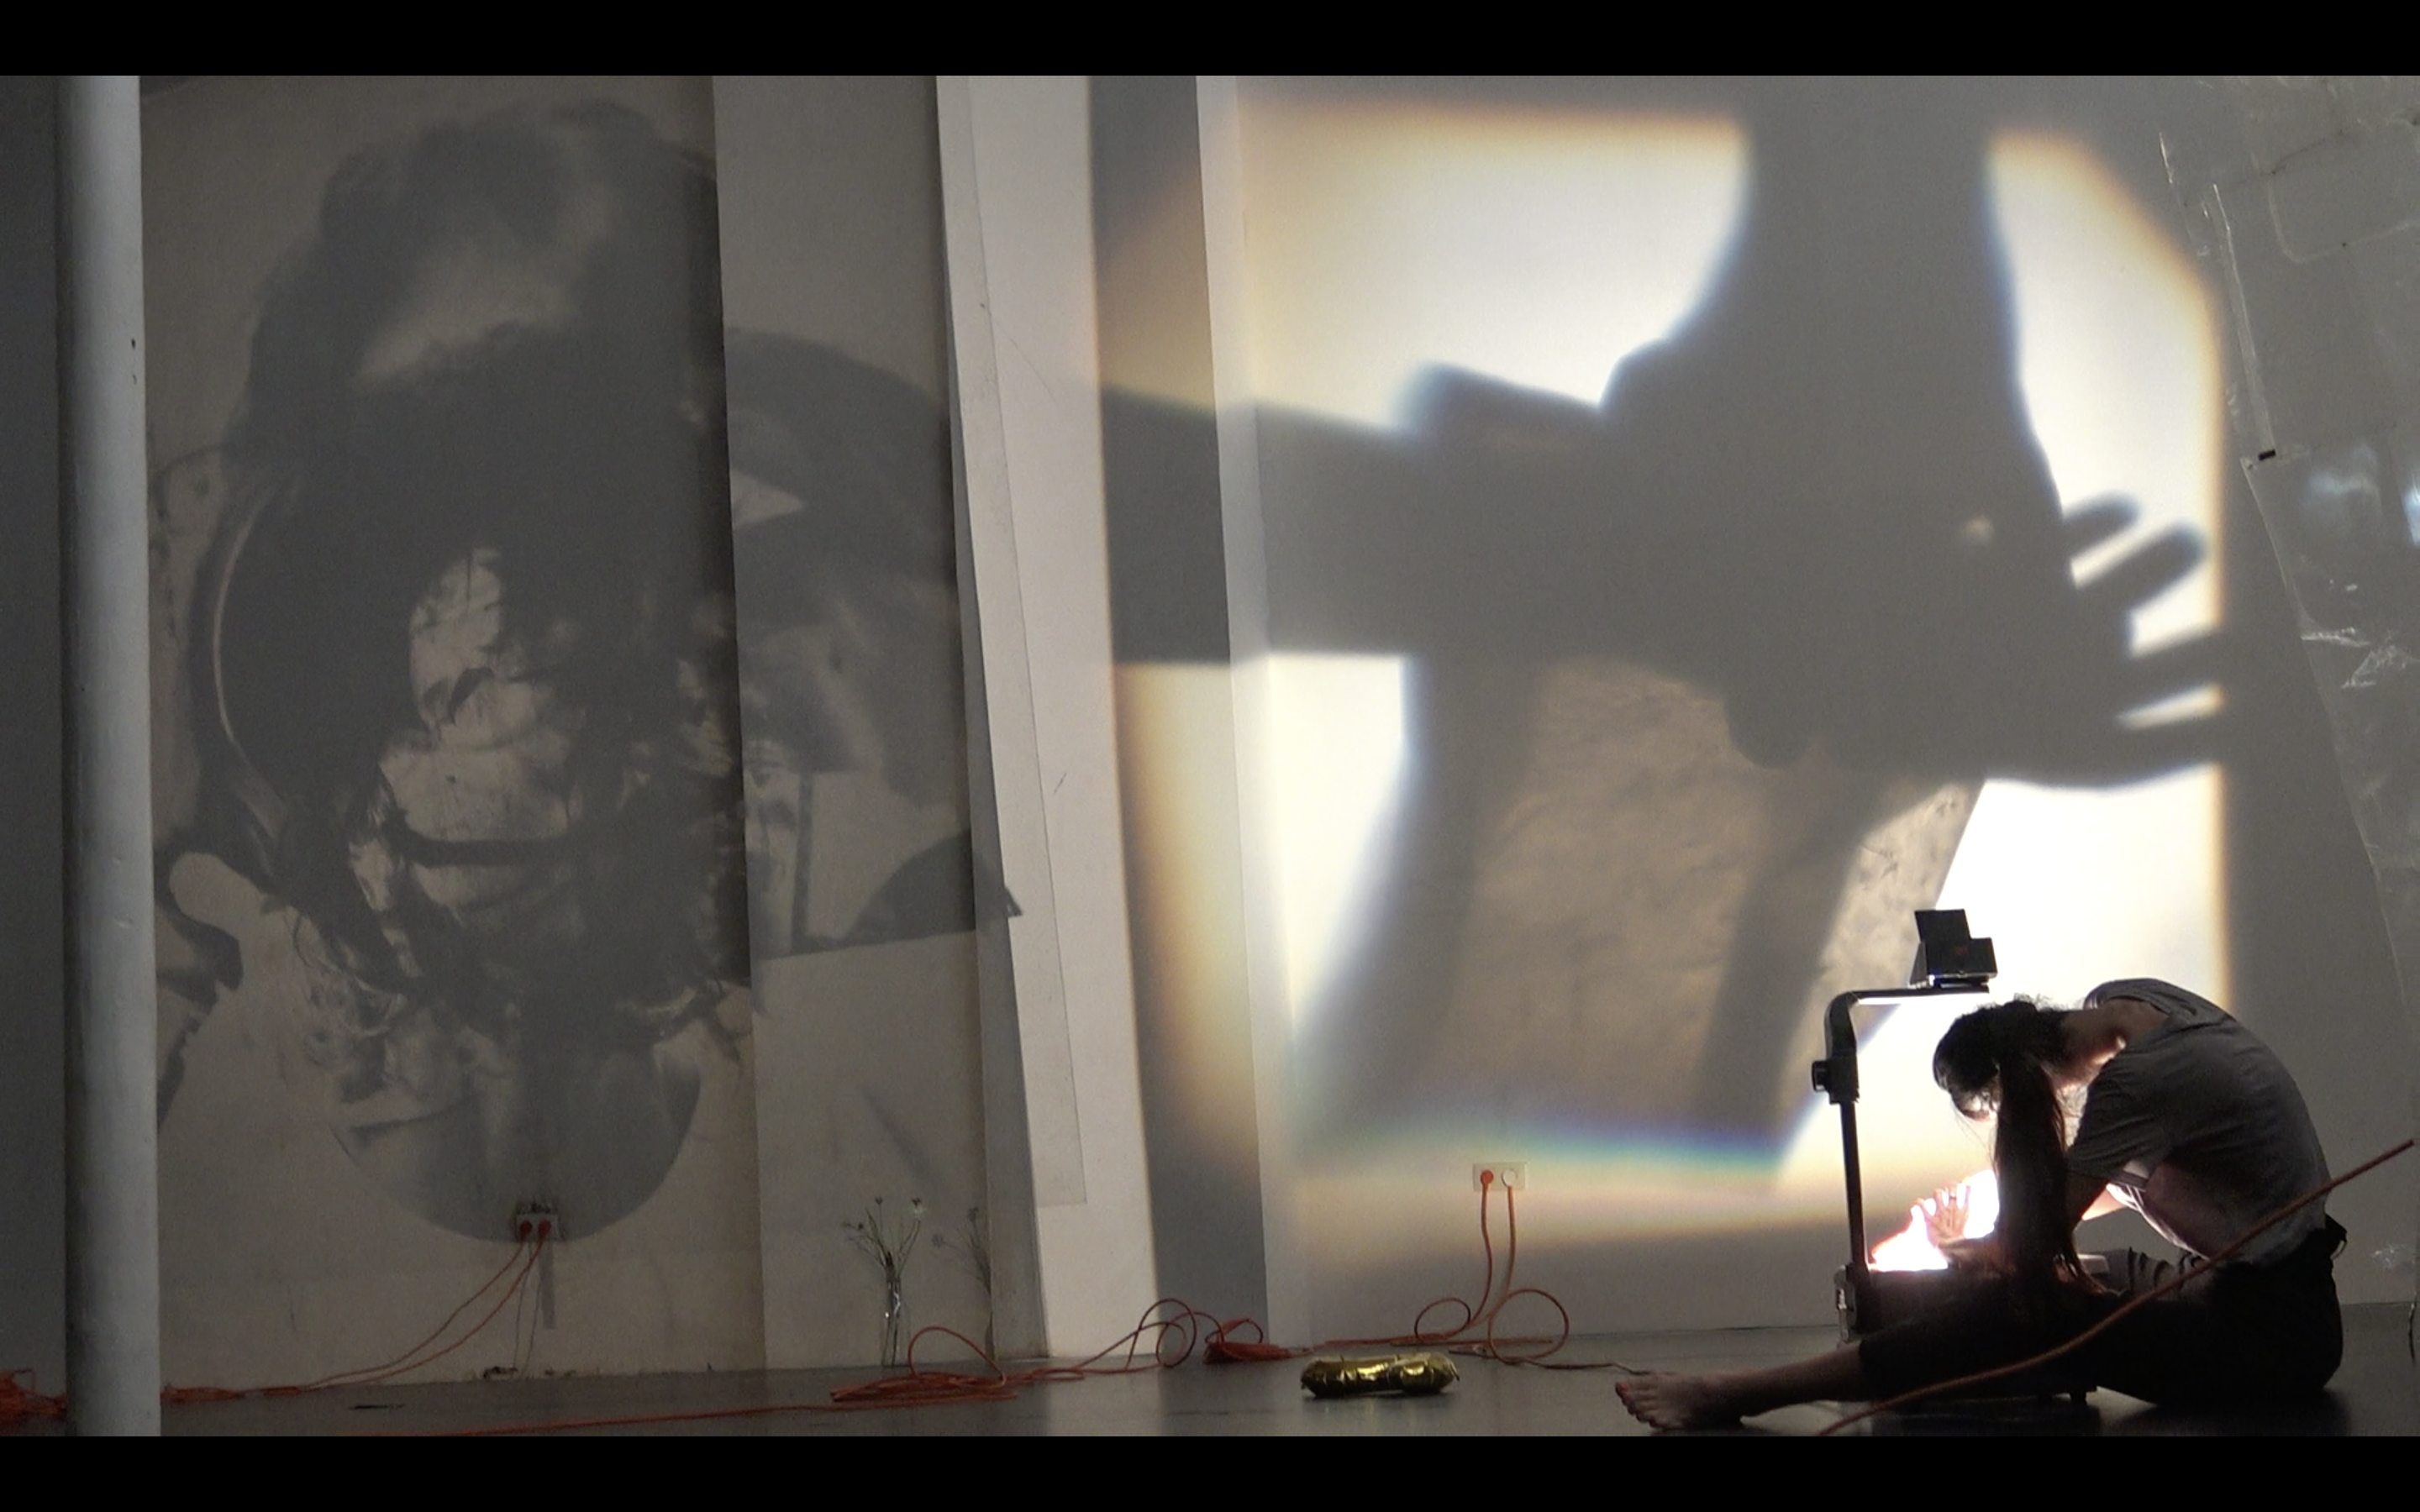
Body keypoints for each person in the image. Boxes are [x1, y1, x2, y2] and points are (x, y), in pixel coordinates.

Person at [1618, 979, 2346, 1429]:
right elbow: (2111, 1185)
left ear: (2010, 1085)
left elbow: (2034, 1245)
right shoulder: (2134, 1003)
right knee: (2103, 1266)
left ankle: (1736, 1393)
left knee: (2025, 1309)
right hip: (2247, 1286)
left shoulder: (2138, 1083)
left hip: (2273, 1336)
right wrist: (1999, 1233)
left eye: (1997, 1107)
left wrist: (1988, 1248)